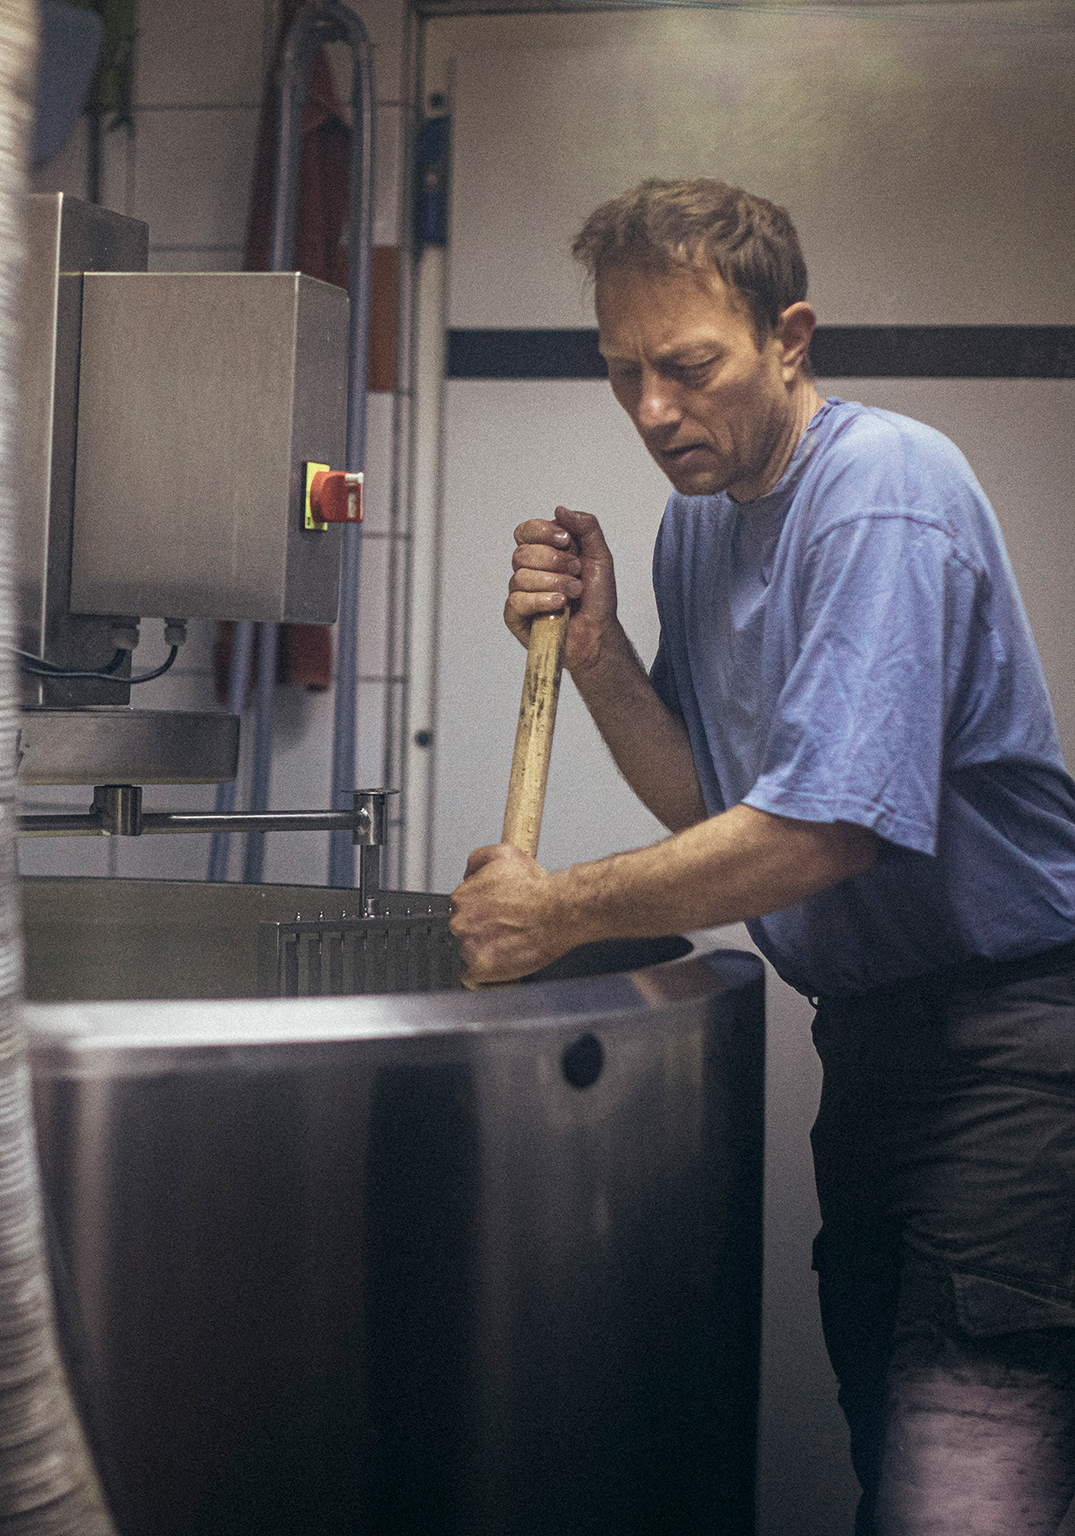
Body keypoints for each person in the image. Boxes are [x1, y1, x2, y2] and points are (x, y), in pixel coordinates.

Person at [448, 177, 1075, 1535]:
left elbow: (821, 831)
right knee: (902, 1470)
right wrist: (600, 657)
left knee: (962, 1498)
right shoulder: (700, 523)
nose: (652, 411)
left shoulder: (880, 492)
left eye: (688, 367)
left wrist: (554, 911)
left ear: (789, 339)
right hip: (876, 1053)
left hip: (1016, 1056)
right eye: (623, 372)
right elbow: (716, 805)